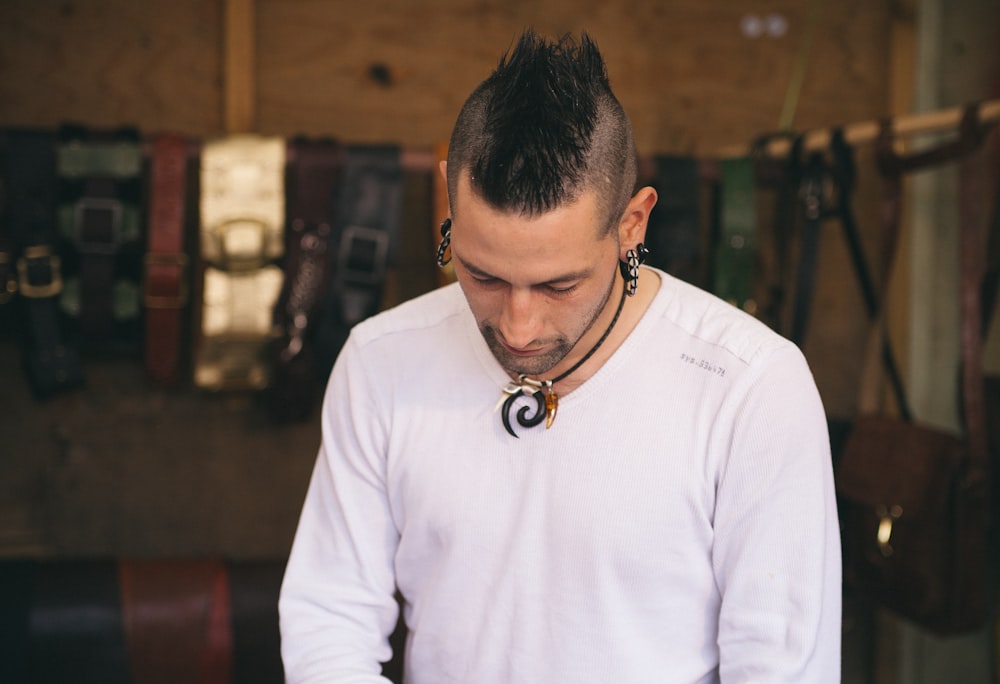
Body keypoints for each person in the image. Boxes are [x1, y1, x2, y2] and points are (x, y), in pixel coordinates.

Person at [278, 28, 841, 683]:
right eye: (482, 274)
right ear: (449, 205)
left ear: (633, 225)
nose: (518, 327)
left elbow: (780, 668)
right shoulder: (381, 362)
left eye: (558, 284)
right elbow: (330, 619)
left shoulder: (751, 389)